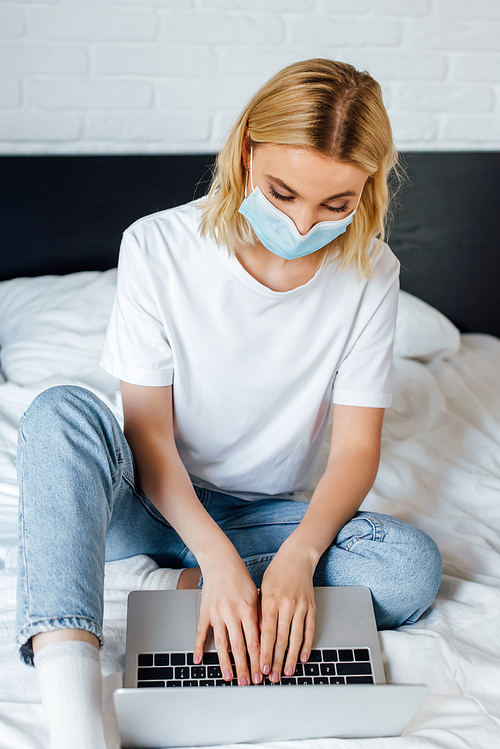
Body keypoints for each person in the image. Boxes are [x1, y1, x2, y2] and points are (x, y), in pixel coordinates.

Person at [16, 59, 442, 749]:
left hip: (269, 516)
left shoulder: (372, 274)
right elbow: (149, 437)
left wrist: (300, 557)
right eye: (283, 192)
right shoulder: (157, 246)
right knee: (58, 414)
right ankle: (74, 722)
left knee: (407, 567)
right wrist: (215, 556)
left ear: (366, 190)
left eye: (336, 204)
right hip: (150, 500)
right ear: (246, 150)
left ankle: (187, 580)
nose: (305, 223)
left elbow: (358, 449)